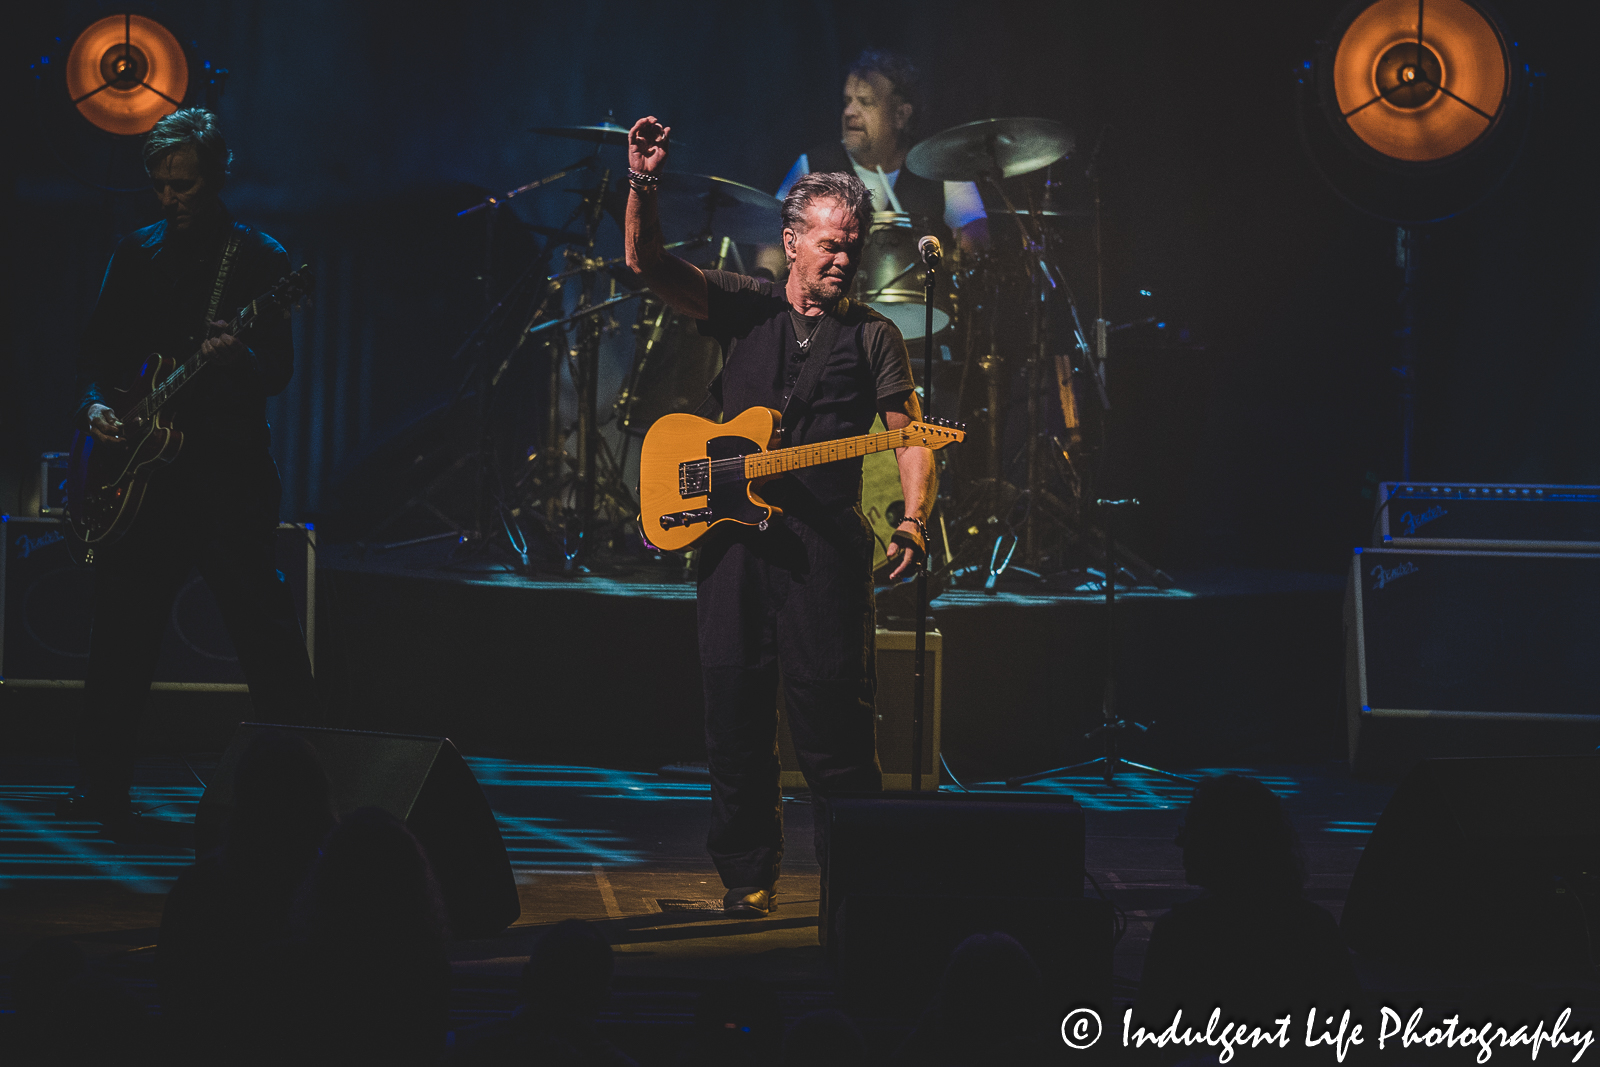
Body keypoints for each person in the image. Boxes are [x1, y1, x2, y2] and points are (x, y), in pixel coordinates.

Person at [624, 115, 935, 916]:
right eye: (829, 243)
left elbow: (912, 440)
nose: (843, 258)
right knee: (733, 717)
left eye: (853, 246)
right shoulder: (746, 307)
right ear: (792, 240)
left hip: (824, 555)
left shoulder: (874, 338)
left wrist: (913, 520)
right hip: (732, 550)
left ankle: (856, 885)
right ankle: (747, 875)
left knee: (833, 727)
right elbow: (646, 263)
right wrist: (644, 183)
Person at [56, 108, 317, 836]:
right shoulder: (134, 252)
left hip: (227, 474)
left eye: (187, 186)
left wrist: (240, 358)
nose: (172, 200)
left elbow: (280, 371)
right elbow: (93, 358)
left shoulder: (259, 257)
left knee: (263, 635)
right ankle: (99, 789)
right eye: (162, 187)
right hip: (142, 476)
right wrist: (95, 409)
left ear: (216, 177)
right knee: (120, 635)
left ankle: (296, 795)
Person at [1135, 775, 1362, 1036]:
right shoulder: (1314, 926)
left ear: (1219, 843)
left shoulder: (1179, 932)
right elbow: (1353, 1029)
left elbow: (1146, 1035)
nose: (1181, 842)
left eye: (1191, 831)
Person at [759, 48, 987, 281]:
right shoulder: (814, 166)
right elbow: (772, 233)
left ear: (900, 115)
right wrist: (763, 276)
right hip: (832, 311)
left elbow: (974, 232)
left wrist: (959, 259)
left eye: (865, 103)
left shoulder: (941, 165)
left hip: (924, 311)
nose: (849, 112)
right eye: (847, 101)